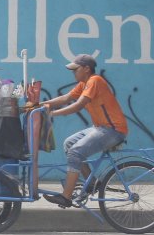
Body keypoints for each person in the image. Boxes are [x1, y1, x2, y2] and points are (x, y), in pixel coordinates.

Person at [35, 54, 128, 206]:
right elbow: (66, 98)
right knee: (69, 144)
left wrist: (52, 114)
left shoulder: (94, 80)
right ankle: (92, 183)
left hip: (113, 130)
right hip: (100, 128)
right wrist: (40, 105)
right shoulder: (84, 83)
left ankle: (66, 197)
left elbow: (78, 105)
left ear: (86, 69)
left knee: (75, 152)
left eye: (75, 69)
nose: (73, 73)